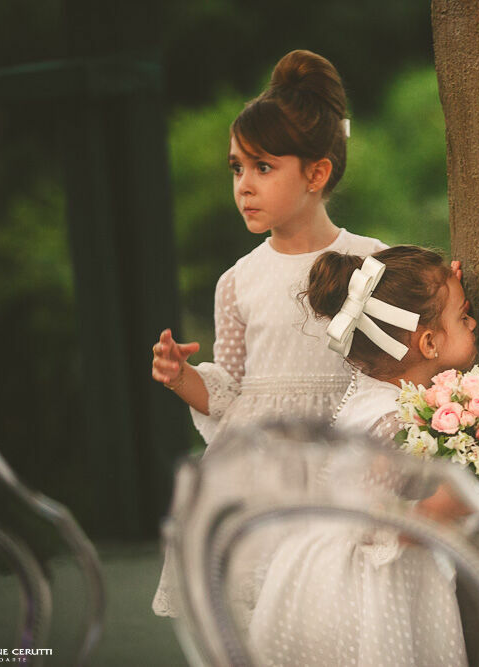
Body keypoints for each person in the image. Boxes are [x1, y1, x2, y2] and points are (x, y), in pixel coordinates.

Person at [150, 49, 389, 619]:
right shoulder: (238, 281)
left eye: (262, 168)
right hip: (254, 474)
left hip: (339, 464)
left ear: (316, 172)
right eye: (237, 168)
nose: (244, 186)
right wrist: (185, 379)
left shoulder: (374, 262)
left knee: (329, 615)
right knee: (254, 617)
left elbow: (395, 366)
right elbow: (233, 395)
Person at [244, 245, 476, 666]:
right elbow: (372, 526)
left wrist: (442, 295)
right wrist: (440, 507)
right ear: (427, 342)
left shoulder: (381, 386)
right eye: (464, 316)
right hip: (364, 585)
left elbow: (396, 321)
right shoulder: (391, 421)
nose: (474, 321)